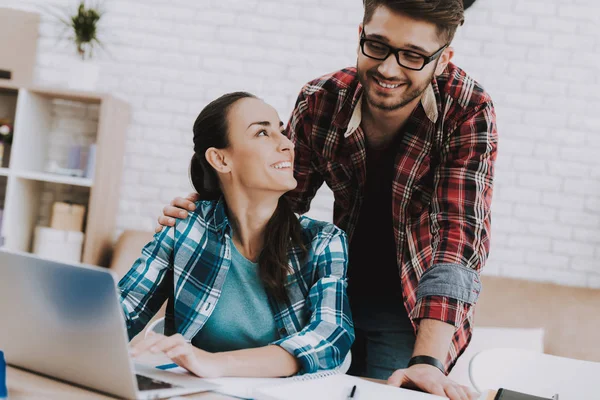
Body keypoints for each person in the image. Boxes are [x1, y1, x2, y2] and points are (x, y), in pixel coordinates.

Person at [159, 0, 496, 398]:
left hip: (409, 310)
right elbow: (276, 194)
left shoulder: (468, 109)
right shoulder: (322, 99)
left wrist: (426, 362)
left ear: (443, 60)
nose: (388, 68)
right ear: (360, 35)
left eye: (413, 56)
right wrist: (205, 214)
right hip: (324, 290)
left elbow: (458, 239)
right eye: (377, 46)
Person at [120, 92, 354, 378]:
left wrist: (214, 363)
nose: (287, 143)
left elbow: (330, 336)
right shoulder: (186, 228)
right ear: (220, 159)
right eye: (262, 133)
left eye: (280, 130)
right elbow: (124, 308)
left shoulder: (324, 242)